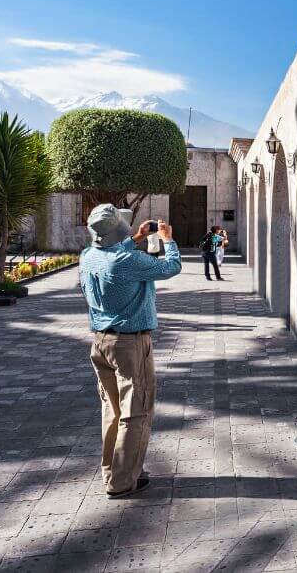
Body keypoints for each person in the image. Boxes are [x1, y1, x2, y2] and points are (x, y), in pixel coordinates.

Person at [79, 204, 182, 498]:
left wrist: (137, 237)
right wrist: (168, 240)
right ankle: (122, 481)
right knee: (136, 411)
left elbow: (112, 252)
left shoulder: (88, 256)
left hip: (101, 342)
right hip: (129, 344)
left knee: (112, 410)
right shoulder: (128, 261)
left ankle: (112, 472)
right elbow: (171, 267)